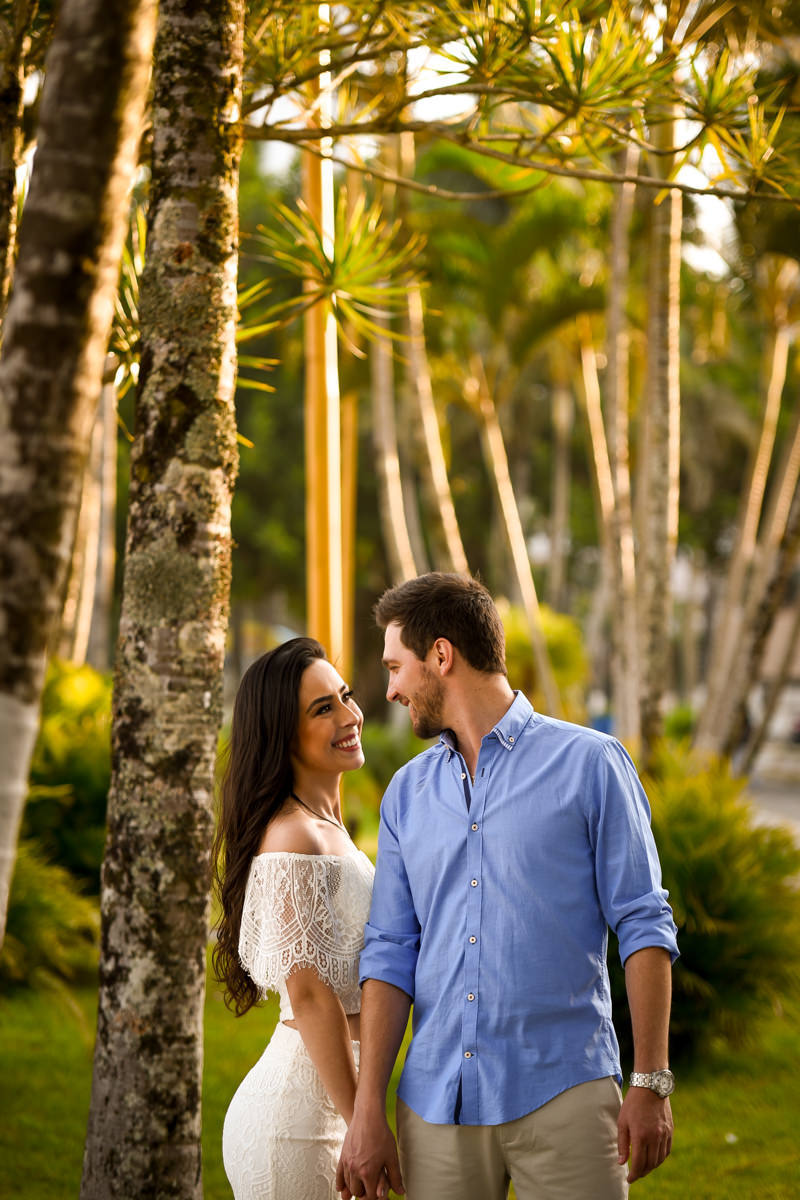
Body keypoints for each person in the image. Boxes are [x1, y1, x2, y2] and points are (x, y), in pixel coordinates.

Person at [337, 573, 679, 1200]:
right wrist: (366, 1112)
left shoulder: (591, 764)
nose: (387, 690)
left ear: (441, 656)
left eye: (395, 667)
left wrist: (650, 1079)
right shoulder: (406, 794)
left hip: (565, 1093)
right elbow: (389, 952)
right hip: (437, 1104)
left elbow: (643, 922)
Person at [213, 637, 375, 1200]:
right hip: (300, 1126)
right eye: (322, 708)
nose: (350, 716)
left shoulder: (324, 827)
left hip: (326, 1109)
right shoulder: (294, 837)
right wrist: (363, 1125)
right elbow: (308, 995)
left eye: (344, 696)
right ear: (284, 734)